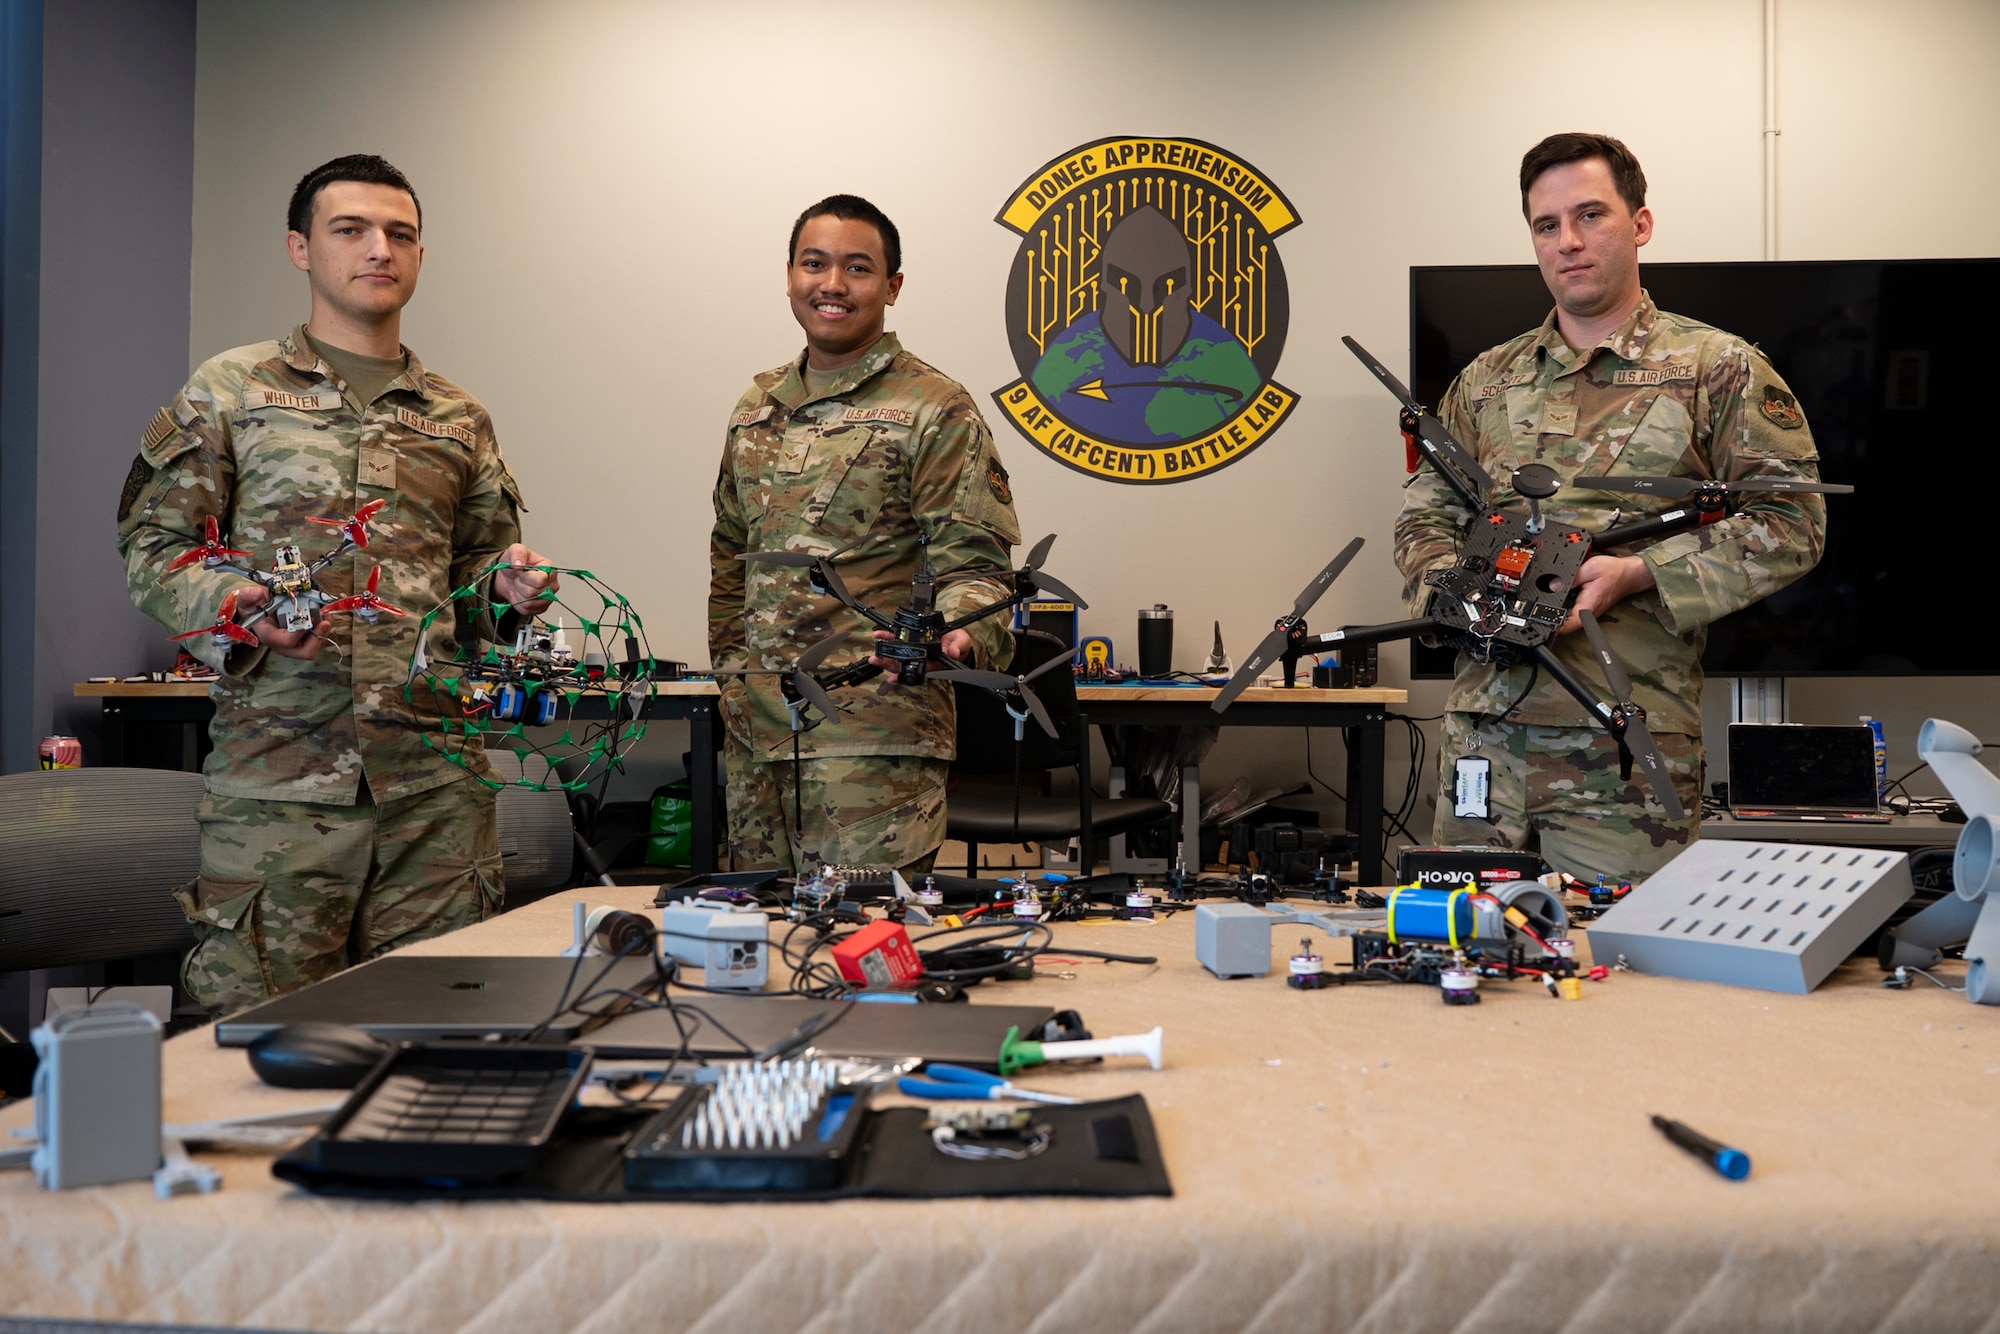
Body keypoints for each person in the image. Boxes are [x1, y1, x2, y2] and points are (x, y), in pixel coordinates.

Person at [118, 154, 554, 1014]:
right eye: (349, 229)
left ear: (420, 255)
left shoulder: (456, 416)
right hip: (280, 786)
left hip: (433, 791)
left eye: (400, 234)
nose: (378, 250)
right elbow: (153, 541)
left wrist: (506, 595)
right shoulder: (231, 391)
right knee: (253, 1040)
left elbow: (475, 575)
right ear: (300, 248)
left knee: (445, 1033)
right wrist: (238, 609)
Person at [1393, 132, 1830, 882]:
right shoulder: (1486, 381)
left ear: (1641, 223)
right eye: (1546, 224)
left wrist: (1637, 574)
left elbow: (1793, 523)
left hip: (1621, 750)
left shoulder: (1714, 368)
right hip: (1482, 740)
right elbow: (1424, 515)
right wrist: (1450, 590)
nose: (1568, 241)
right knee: (1461, 953)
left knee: (1621, 971)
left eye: (1590, 215)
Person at [709, 194, 1022, 874]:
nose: (832, 285)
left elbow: (977, 567)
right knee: (759, 955)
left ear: (892, 287)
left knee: (865, 952)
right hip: (759, 737)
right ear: (789, 274)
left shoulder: (934, 407)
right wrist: (736, 681)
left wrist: (961, 633)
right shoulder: (756, 407)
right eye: (814, 264)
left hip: (874, 745)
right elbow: (731, 558)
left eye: (857, 268)